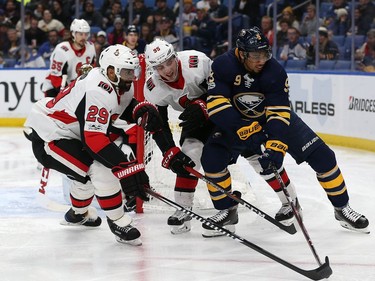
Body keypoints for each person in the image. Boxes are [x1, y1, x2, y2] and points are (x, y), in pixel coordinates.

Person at [200, 27, 369, 237]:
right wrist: (244, 129)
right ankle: (227, 211)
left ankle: (342, 208)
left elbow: (279, 113)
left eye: (265, 53)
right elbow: (216, 105)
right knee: (211, 159)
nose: (262, 60)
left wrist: (276, 148)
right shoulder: (223, 65)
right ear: (241, 53)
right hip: (236, 122)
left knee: (324, 157)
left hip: (270, 120)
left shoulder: (275, 71)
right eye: (255, 55)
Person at [24, 44, 194, 245]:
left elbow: (117, 107)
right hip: (49, 135)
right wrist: (127, 168)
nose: (132, 76)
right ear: (111, 70)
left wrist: (137, 111)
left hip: (69, 133)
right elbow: (94, 139)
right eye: (127, 71)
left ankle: (77, 214)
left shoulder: (117, 82)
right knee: (101, 169)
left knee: (83, 176)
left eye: (133, 71)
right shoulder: (98, 89)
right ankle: (118, 221)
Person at [143, 38, 214, 234]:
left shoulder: (197, 62)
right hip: (195, 121)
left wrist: (204, 105)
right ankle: (183, 210)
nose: (166, 70)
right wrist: (169, 151)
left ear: (175, 57)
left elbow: (224, 89)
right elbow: (158, 125)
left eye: (168, 62)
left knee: (251, 151)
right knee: (187, 156)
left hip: (221, 112)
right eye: (159, 67)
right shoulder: (152, 88)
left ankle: (289, 201)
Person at [41, 18, 96, 98]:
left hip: (75, 87)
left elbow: (92, 70)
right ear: (73, 34)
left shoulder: (90, 47)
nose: (84, 37)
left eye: (86, 34)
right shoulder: (62, 49)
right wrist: (67, 92)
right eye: (80, 34)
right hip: (54, 88)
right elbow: (55, 77)